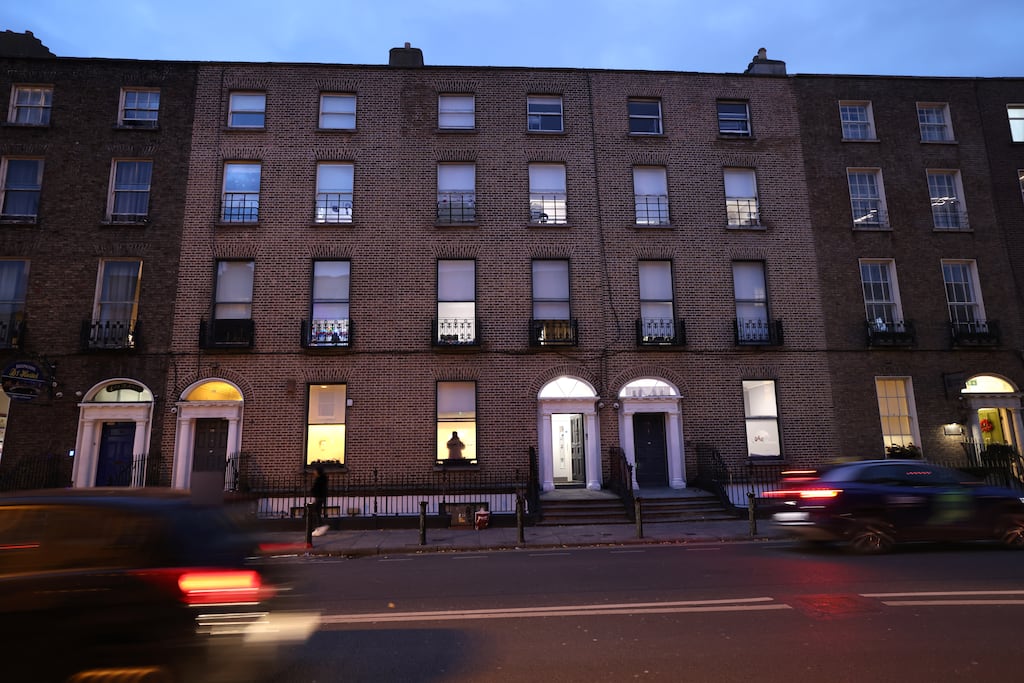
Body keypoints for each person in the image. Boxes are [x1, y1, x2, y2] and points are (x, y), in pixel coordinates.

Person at [310, 466, 329, 536]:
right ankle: (319, 527)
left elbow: (317, 489)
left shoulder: (319, 479)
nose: (314, 472)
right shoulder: (322, 479)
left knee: (316, 512)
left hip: (318, 497)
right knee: (316, 512)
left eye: (315, 471)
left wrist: (313, 491)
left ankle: (320, 527)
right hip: (320, 497)